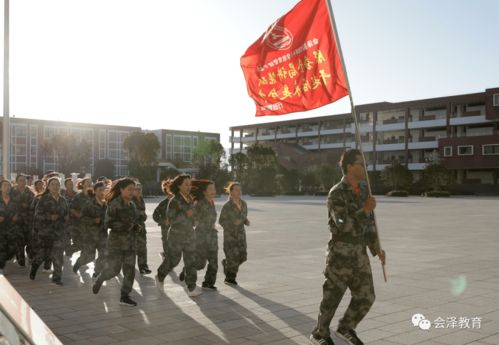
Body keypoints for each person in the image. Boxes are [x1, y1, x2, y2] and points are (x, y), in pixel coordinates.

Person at [309, 149, 386, 345]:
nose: (364, 167)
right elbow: (344, 225)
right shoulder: (336, 193)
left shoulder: (363, 192)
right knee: (332, 298)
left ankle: (346, 327)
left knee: (366, 296)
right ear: (349, 167)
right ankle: (320, 333)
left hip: (359, 255)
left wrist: (376, 248)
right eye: (361, 164)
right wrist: (366, 209)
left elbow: (369, 225)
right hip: (340, 255)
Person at [92, 178, 139, 307]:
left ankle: (124, 296)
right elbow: (108, 223)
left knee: (130, 270)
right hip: (116, 244)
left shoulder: (132, 204)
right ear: (121, 190)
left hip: (130, 243)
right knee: (114, 270)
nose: (131, 192)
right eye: (129, 189)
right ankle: (101, 278)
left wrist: (136, 226)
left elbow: (134, 221)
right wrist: (127, 226)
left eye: (133, 189)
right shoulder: (114, 204)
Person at [156, 174, 203, 297]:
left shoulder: (189, 199)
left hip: (189, 235)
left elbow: (193, 214)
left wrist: (195, 219)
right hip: (176, 235)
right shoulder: (174, 200)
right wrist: (186, 214)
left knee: (190, 261)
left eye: (190, 184)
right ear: (179, 186)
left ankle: (191, 287)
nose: (189, 187)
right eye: (186, 184)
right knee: (173, 260)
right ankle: (160, 275)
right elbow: (171, 219)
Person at [30, 177, 69, 285]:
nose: (55, 186)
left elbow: (66, 213)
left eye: (57, 184)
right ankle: (34, 267)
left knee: (58, 257)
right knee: (42, 256)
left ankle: (56, 278)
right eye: (53, 184)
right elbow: (37, 215)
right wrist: (49, 217)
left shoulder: (63, 200)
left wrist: (66, 218)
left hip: (59, 233)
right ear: (48, 186)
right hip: (45, 233)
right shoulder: (43, 199)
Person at [180, 179, 218, 290]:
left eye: (214, 189)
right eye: (210, 189)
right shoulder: (199, 203)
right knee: (200, 263)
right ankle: (187, 270)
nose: (213, 191)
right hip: (201, 236)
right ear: (204, 192)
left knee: (214, 262)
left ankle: (208, 283)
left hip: (212, 236)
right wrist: (195, 221)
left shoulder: (211, 202)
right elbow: (191, 217)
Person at [72, 182, 108, 278]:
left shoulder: (106, 204)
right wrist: (93, 220)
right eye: (100, 190)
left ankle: (97, 272)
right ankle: (78, 264)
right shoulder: (89, 203)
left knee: (104, 254)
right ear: (95, 191)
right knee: (88, 257)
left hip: (103, 235)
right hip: (90, 236)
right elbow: (82, 218)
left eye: (104, 190)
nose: (102, 192)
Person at [219, 182, 250, 286]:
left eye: (240, 189)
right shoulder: (227, 206)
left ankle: (226, 264)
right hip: (230, 236)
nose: (239, 191)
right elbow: (221, 221)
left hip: (241, 235)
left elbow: (242, 216)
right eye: (236, 189)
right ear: (231, 192)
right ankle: (230, 278)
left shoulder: (244, 204)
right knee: (234, 257)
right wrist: (232, 223)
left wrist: (245, 221)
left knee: (243, 257)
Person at [11, 174, 35, 266]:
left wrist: (27, 206)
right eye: (21, 180)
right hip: (16, 221)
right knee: (19, 241)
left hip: (28, 220)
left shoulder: (29, 192)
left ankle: (30, 258)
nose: (23, 182)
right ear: (16, 182)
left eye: (24, 180)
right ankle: (21, 260)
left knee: (30, 241)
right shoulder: (12, 192)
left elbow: (33, 205)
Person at [67, 178, 92, 256]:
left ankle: (82, 260)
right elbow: (71, 208)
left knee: (86, 243)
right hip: (77, 224)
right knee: (79, 244)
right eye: (87, 182)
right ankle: (69, 249)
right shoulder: (78, 196)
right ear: (83, 184)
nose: (89, 184)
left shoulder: (92, 196)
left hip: (88, 224)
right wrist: (78, 215)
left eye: (90, 182)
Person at [0, 180, 21, 275]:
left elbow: (19, 212)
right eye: (5, 186)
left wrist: (17, 216)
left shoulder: (15, 200)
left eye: (9, 186)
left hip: (12, 229)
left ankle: (5, 259)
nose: (7, 187)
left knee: (12, 249)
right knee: (1, 248)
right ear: (0, 188)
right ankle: (1, 267)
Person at [132, 182, 151, 274]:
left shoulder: (141, 199)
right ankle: (128, 267)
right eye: (136, 189)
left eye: (140, 189)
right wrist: (139, 213)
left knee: (143, 248)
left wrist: (144, 216)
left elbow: (143, 213)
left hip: (141, 228)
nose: (139, 191)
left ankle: (143, 267)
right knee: (133, 249)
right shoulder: (131, 200)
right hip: (133, 228)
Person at [152, 179, 173, 259]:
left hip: (176, 229)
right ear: (166, 192)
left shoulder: (178, 202)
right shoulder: (163, 204)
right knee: (166, 243)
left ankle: (166, 255)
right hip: (165, 228)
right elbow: (155, 215)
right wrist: (163, 221)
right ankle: (166, 257)